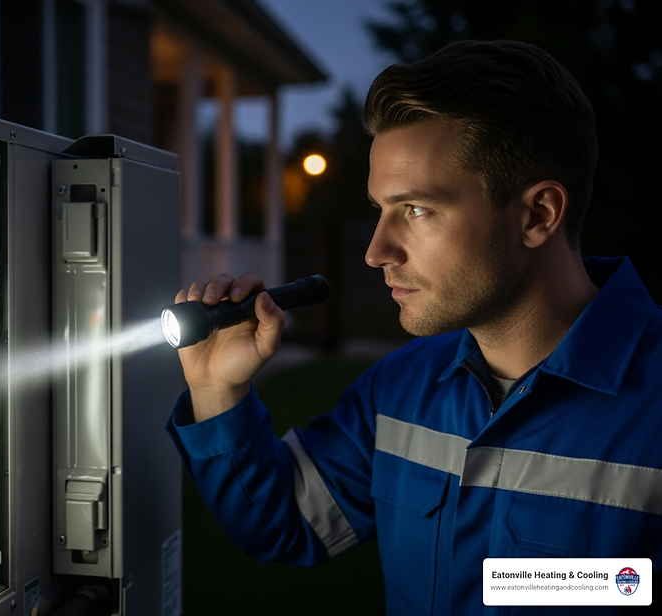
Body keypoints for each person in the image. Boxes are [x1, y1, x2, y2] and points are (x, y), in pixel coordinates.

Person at [165, 39, 662, 614]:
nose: (376, 251)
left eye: (417, 209)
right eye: (380, 209)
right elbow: (288, 524)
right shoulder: (400, 388)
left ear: (537, 215)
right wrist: (216, 390)